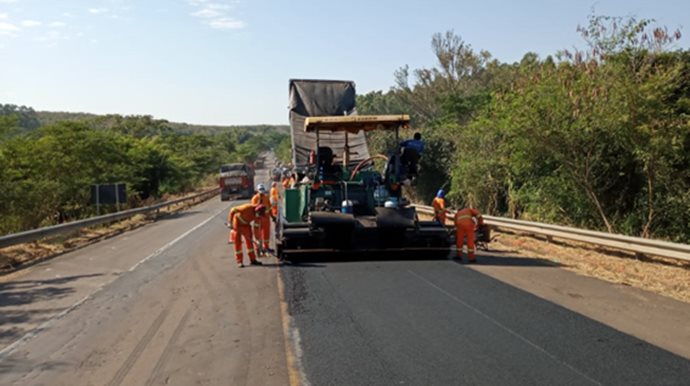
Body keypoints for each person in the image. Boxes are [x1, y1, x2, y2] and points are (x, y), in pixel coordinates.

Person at [227, 203, 265, 267]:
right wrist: (230, 222)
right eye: (258, 214)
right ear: (256, 210)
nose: (258, 216)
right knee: (238, 243)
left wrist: (257, 240)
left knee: (250, 242)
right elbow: (232, 210)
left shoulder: (258, 217)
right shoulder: (247, 207)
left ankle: (253, 260)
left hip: (246, 225)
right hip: (237, 223)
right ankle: (239, 261)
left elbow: (256, 228)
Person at [251, 184, 271, 255]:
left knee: (266, 234)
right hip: (258, 219)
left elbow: (269, 207)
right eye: (260, 190)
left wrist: (272, 216)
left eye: (262, 190)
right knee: (257, 235)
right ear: (257, 191)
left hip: (266, 219)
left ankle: (266, 247)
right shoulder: (255, 198)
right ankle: (258, 249)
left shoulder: (266, 197)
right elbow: (253, 208)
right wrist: (258, 203)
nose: (261, 192)